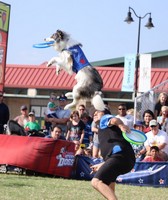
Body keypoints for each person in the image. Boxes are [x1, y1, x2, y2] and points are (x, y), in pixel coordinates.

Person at [90, 109, 135, 200]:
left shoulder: (104, 119)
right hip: (125, 159)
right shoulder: (103, 131)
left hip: (120, 156)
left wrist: (121, 125)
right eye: (94, 113)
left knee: (96, 182)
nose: (95, 113)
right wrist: (102, 164)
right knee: (110, 189)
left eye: (98, 112)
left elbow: (115, 120)